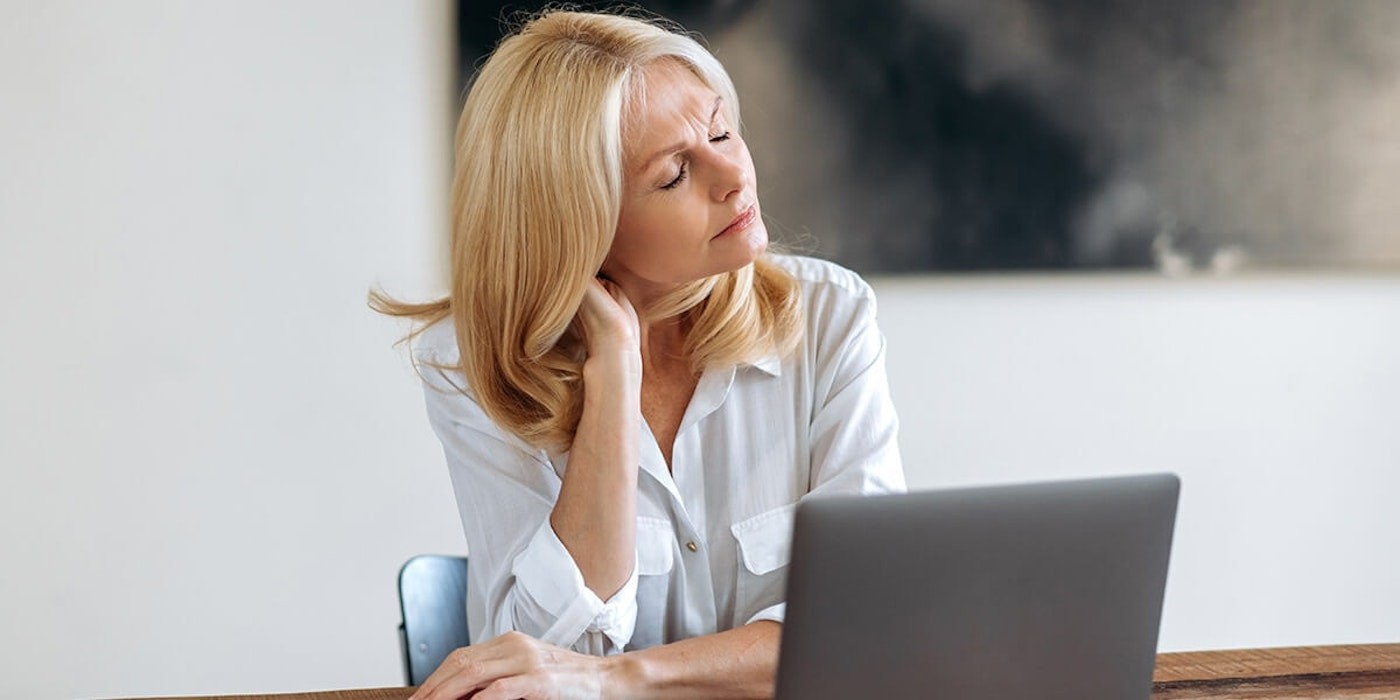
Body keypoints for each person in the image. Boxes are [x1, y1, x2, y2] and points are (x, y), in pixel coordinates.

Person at [374, 9, 904, 699]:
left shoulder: (831, 316)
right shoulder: (473, 364)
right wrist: (614, 377)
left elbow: (868, 631)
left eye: (721, 131)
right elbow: (545, 663)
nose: (735, 177)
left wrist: (624, 677)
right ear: (580, 225)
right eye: (676, 172)